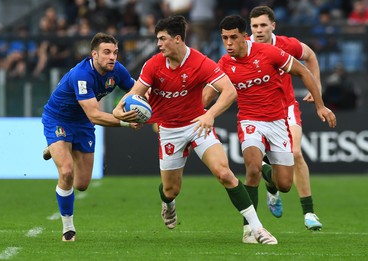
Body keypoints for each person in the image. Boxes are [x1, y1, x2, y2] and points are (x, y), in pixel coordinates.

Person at [113, 15, 278, 245]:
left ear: (178, 39)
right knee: (171, 189)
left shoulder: (200, 62)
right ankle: (168, 203)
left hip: (197, 125)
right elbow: (132, 96)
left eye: (162, 39)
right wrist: (120, 114)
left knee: (225, 173)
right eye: (157, 39)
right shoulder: (153, 65)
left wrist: (209, 114)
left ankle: (257, 229)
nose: (158, 44)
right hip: (169, 130)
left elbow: (229, 91)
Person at [203, 15, 336, 244]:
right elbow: (207, 94)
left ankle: (268, 174)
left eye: (233, 38)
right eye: (224, 38)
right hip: (249, 121)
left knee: (284, 185)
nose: (229, 43)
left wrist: (320, 104)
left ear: (245, 37)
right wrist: (196, 111)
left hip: (277, 122)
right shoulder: (224, 64)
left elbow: (304, 71)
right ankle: (250, 231)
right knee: (251, 168)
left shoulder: (269, 53)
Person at [42, 33, 142, 242]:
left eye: (115, 52)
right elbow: (95, 115)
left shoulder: (117, 71)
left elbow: (136, 90)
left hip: (83, 125)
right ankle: (68, 229)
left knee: (81, 184)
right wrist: (124, 121)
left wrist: (136, 105)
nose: (112, 57)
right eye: (106, 52)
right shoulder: (82, 74)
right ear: (94, 54)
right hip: (59, 119)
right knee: (67, 172)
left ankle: (55, 147)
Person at [248, 5, 326, 230]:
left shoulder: (286, 44)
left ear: (273, 25)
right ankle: (271, 188)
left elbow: (310, 55)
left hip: (286, 107)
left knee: (296, 153)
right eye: (255, 26)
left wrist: (316, 86)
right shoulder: (245, 46)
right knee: (265, 165)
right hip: (256, 112)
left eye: (263, 25)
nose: (259, 30)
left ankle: (309, 212)